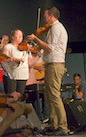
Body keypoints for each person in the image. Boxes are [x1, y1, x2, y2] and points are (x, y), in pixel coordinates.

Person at [27, 7, 68, 136]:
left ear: (51, 16)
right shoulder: (53, 28)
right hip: (51, 65)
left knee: (54, 96)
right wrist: (39, 45)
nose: (44, 18)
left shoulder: (56, 27)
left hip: (55, 65)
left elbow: (50, 48)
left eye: (45, 16)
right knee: (49, 96)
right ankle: (54, 124)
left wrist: (36, 39)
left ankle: (63, 127)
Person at [2, 29, 38, 95]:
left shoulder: (26, 48)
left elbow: (30, 63)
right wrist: (15, 59)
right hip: (12, 76)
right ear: (13, 37)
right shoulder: (8, 46)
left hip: (23, 76)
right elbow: (4, 58)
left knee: (19, 96)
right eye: (18, 35)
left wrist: (39, 55)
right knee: (11, 97)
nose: (21, 37)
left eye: (21, 36)